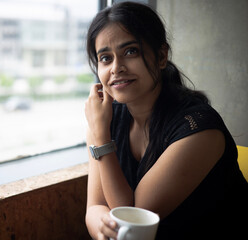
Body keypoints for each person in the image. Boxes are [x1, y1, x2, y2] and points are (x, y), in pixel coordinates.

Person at [84, 2, 248, 240]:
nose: (116, 68)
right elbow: (94, 207)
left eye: (131, 51)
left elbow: (135, 217)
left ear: (161, 56)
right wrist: (101, 224)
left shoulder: (198, 130)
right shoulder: (107, 119)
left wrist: (101, 137)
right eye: (106, 58)